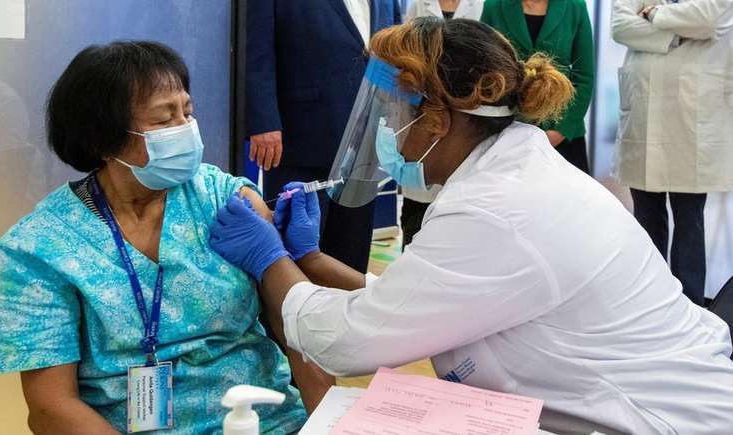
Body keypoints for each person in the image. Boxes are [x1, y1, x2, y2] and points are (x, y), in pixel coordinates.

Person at [209, 18, 733, 434]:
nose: (387, 130)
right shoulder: (510, 172)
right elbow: (426, 302)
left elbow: (348, 342)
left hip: (661, 420)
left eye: (391, 115)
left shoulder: (498, 209)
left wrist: (269, 258)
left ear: (436, 121)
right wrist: (313, 261)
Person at [0, 41, 329, 434]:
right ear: (101, 139)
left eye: (188, 112)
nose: (185, 129)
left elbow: (300, 330)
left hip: (263, 421)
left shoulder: (228, 203)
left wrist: (327, 425)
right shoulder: (39, 247)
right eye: (164, 120)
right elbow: (52, 407)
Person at [245, 0, 402, 273]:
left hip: (366, 140)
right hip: (302, 134)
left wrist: (397, 116)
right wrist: (264, 122)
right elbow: (256, 53)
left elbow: (399, 51)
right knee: (297, 249)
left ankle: (346, 309)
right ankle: (288, 313)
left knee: (352, 249)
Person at [612, 0, 733, 306]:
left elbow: (708, 20)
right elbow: (621, 26)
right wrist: (677, 34)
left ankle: (689, 304)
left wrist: (654, 14)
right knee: (646, 218)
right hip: (644, 112)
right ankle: (648, 300)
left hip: (691, 118)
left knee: (689, 219)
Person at [401, 0, 485, 248]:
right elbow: (405, 55)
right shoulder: (419, 5)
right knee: (417, 218)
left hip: (466, 119)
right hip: (425, 117)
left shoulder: (482, 5)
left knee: (458, 219)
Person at [480, 0, 594, 175]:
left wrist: (561, 130)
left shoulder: (575, 6)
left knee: (566, 199)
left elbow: (584, 77)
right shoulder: (494, 6)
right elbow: (483, 70)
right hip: (507, 130)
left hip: (562, 128)